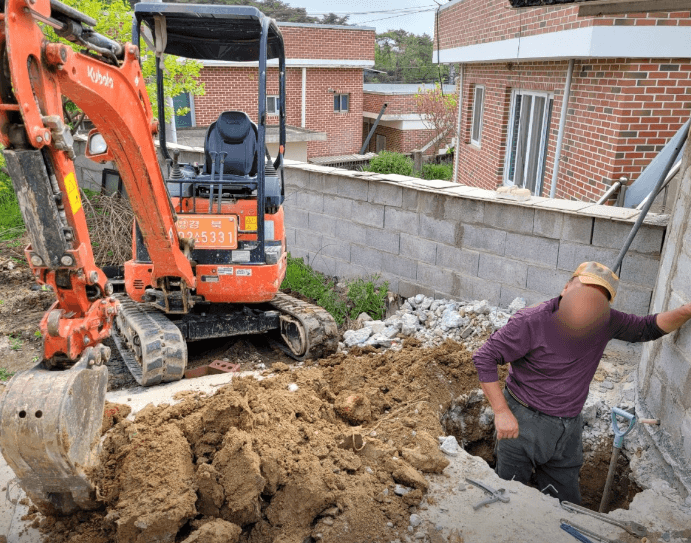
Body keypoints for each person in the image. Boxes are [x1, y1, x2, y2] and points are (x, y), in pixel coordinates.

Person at [472, 261, 691, 504]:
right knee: (509, 498)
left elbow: (648, 328)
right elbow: (484, 357)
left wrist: (686, 310)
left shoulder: (606, 321)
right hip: (523, 424)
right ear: (566, 288)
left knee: (566, 504)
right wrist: (501, 412)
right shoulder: (532, 321)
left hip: (568, 428)